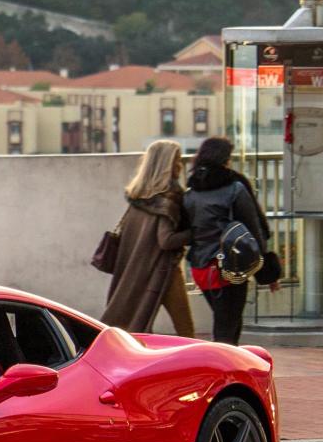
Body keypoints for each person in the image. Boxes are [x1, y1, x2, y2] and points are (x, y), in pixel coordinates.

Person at [182, 136, 278, 345]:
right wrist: (268, 272)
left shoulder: (190, 192)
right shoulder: (235, 188)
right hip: (230, 267)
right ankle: (223, 371)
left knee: (226, 319)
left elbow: (187, 229)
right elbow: (254, 230)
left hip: (200, 268)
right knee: (227, 326)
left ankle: (226, 367)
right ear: (225, 159)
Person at [100, 139, 195, 337]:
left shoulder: (138, 197)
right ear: (167, 165)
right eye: (177, 160)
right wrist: (196, 233)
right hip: (163, 271)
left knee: (135, 325)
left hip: (134, 270)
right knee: (185, 330)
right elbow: (166, 240)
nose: (180, 166)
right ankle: (197, 365)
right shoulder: (168, 199)